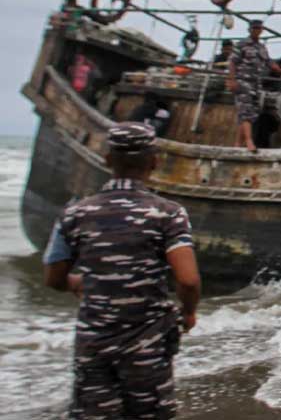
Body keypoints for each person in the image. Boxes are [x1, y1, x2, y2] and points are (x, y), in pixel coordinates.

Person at [42, 122, 200, 419]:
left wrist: (77, 282)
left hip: (94, 342)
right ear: (154, 161)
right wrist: (188, 312)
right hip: (148, 344)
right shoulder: (168, 213)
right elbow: (188, 280)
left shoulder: (74, 214)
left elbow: (53, 278)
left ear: (107, 159)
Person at [226, 19, 281, 152]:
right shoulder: (242, 44)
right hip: (242, 81)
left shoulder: (261, 47)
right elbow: (232, 62)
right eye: (255, 28)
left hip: (256, 83)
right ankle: (249, 142)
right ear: (250, 30)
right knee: (245, 111)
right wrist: (232, 79)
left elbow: (270, 63)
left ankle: (237, 144)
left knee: (251, 114)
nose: (257, 30)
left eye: (259, 28)